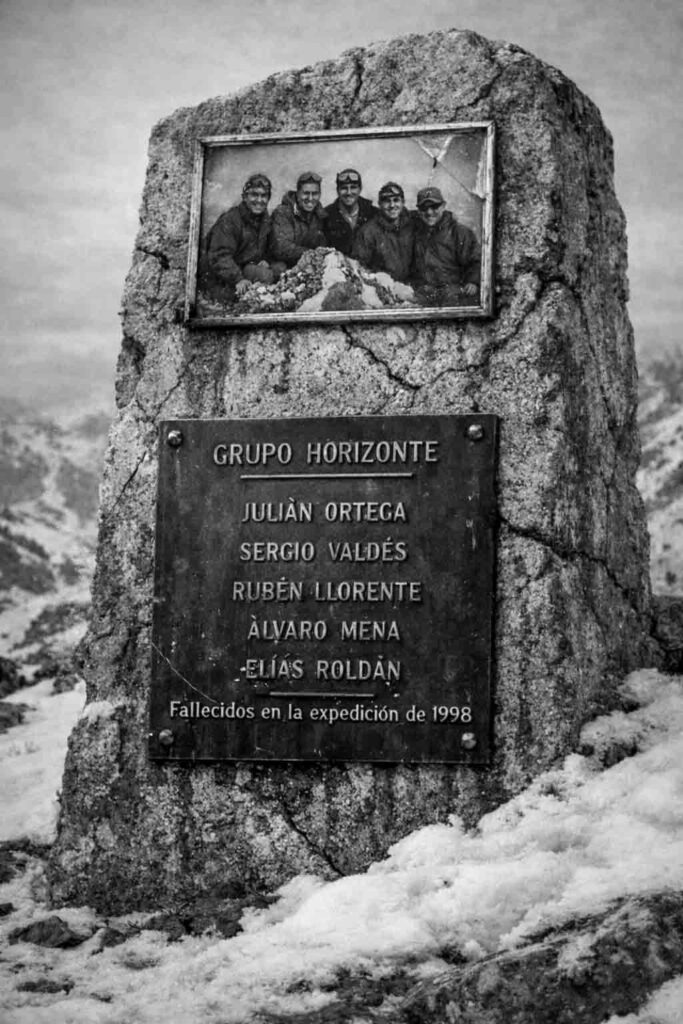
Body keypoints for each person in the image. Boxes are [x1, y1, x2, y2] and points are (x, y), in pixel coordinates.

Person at [200, 172, 283, 304]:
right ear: (244, 197)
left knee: (279, 269)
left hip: (243, 268)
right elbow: (219, 256)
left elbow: (271, 248)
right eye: (254, 195)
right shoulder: (231, 220)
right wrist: (238, 279)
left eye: (263, 196)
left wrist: (265, 260)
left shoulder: (265, 221)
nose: (259, 200)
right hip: (219, 277)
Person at [412, 186, 481, 306]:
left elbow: (476, 259)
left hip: (453, 294)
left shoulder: (460, 232)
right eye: (424, 208)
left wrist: (473, 281)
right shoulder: (416, 231)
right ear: (418, 210)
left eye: (434, 207)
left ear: (443, 206)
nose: (429, 212)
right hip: (425, 294)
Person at [351, 181, 415, 284]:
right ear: (379, 204)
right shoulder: (368, 232)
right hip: (383, 288)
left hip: (411, 287)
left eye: (396, 200)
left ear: (403, 202)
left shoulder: (413, 225)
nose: (392, 205)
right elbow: (359, 267)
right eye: (387, 201)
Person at [269, 171, 328, 268]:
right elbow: (282, 249)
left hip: (309, 263)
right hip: (285, 265)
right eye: (305, 193)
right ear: (297, 193)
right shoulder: (282, 213)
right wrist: (314, 254)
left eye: (315, 194)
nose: (310, 198)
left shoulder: (321, 215)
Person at [323, 168, 376, 256]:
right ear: (337, 190)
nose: (348, 192)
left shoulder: (373, 214)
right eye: (344, 188)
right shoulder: (325, 216)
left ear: (360, 189)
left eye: (353, 187)